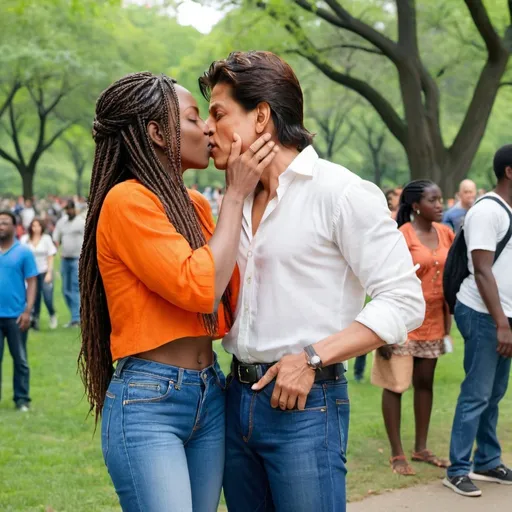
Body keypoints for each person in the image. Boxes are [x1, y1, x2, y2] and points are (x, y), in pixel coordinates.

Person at [200, 51, 425, 512]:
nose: (207, 127)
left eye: (218, 113)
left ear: (260, 116)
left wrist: (311, 358)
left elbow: (403, 300)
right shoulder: (234, 200)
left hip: (305, 405)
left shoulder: (340, 192)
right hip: (234, 399)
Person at [78, 72, 277, 512]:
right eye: (192, 118)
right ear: (157, 134)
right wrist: (236, 194)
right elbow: (202, 288)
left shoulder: (194, 206)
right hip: (150, 401)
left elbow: (229, 292)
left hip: (209, 393)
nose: (208, 127)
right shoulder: (126, 201)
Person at [444, 145, 512, 497]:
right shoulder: (488, 211)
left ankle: (486, 460)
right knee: (476, 394)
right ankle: (457, 469)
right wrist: (501, 323)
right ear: (509, 172)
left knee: (495, 393)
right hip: (485, 314)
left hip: (504, 317)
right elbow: (482, 270)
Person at [377, 180, 455, 476]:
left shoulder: (446, 233)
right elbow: (385, 281)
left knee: (425, 383)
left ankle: (420, 447)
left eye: (439, 199)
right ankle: (397, 453)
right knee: (396, 385)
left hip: (434, 320)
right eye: (433, 200)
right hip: (401, 321)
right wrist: (382, 331)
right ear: (416, 206)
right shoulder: (401, 236)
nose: (440, 205)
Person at [0, 211, 38, 412]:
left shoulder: (23, 252)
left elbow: (32, 281)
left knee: (20, 359)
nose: (1, 226)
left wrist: (28, 310)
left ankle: (22, 398)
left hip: (16, 316)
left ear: (15, 227)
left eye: (5, 223)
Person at [21, 218, 58, 330]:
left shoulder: (46, 239)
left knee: (47, 297)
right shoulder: (25, 239)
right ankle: (34, 319)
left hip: (43, 272)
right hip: (30, 274)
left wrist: (49, 273)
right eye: (33, 226)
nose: (36, 228)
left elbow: (50, 256)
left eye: (38, 226)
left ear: (42, 227)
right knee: (33, 298)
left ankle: (52, 314)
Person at [53, 200, 84, 327]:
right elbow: (56, 237)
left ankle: (76, 318)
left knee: (75, 288)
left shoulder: (81, 222)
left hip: (77, 258)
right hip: (65, 258)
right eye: (67, 209)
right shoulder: (62, 222)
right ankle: (75, 315)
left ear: (75, 209)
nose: (69, 211)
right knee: (65, 290)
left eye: (71, 209)